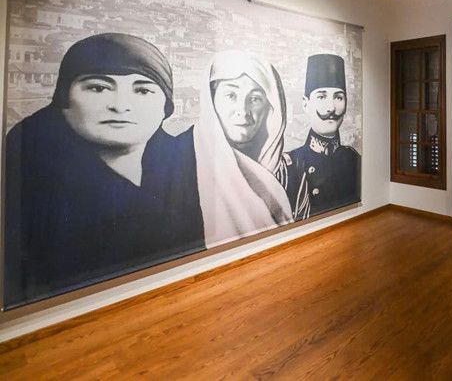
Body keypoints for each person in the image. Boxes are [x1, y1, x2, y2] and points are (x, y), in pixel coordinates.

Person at [3, 33, 204, 309]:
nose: (120, 105)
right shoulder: (30, 172)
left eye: (142, 90)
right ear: (64, 98)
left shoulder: (188, 165)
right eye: (98, 88)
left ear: (165, 106)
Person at [189, 50, 293, 248]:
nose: (243, 112)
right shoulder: (179, 164)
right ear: (211, 100)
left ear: (270, 107)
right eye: (231, 95)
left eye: (255, 99)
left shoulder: (289, 172)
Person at [286, 54, 361, 220]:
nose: (331, 108)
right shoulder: (290, 166)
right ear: (305, 103)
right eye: (321, 96)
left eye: (338, 97)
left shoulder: (353, 158)